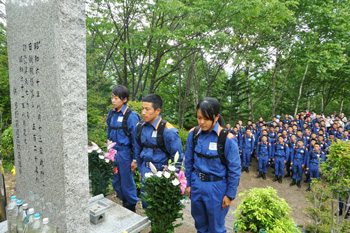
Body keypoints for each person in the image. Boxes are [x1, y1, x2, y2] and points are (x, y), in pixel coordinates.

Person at [184, 97, 241, 233]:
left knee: (216, 228)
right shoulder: (193, 134)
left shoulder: (226, 139)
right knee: (200, 224)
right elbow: (189, 161)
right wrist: (189, 184)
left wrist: (230, 195)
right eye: (199, 118)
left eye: (206, 118)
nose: (202, 122)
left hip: (216, 189)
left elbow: (234, 169)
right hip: (197, 184)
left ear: (216, 117)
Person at [134, 94, 184, 207]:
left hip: (162, 174)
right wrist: (141, 168)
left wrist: (171, 178)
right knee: (146, 204)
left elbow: (177, 157)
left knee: (160, 207)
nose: (143, 112)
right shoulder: (140, 127)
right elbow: (137, 149)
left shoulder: (168, 131)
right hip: (145, 170)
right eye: (142, 108)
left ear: (157, 110)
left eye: (147, 109)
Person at [107, 85, 140, 212]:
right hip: (113, 153)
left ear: (124, 99)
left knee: (127, 183)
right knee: (116, 180)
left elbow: (136, 140)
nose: (113, 100)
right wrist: (107, 153)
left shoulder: (131, 116)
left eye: (116, 98)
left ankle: (131, 208)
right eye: (112, 97)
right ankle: (123, 203)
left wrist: (135, 160)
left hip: (125, 154)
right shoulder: (111, 114)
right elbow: (108, 134)